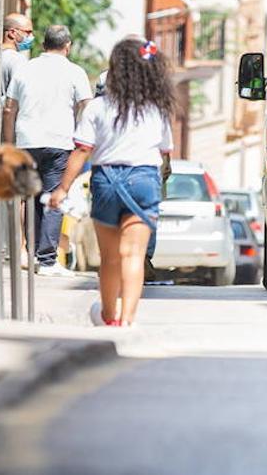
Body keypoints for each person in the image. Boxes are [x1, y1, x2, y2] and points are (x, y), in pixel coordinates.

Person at [49, 38, 176, 326]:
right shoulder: (157, 110)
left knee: (110, 259)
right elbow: (165, 150)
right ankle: (128, 319)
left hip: (106, 180)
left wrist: (62, 189)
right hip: (144, 180)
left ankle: (109, 317)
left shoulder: (97, 108)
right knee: (133, 255)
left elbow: (82, 150)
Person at [3, 25, 93, 276]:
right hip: (59, 142)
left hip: (26, 142)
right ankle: (48, 260)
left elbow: (9, 109)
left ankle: (32, 255)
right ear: (68, 46)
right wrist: (81, 135)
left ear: (43, 45)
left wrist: (8, 144)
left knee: (30, 197)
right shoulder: (75, 71)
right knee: (54, 197)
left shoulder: (25, 68)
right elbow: (87, 106)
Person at [0, 12, 34, 98]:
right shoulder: (17, 60)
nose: (31, 37)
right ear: (12, 33)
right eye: (28, 32)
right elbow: (21, 94)